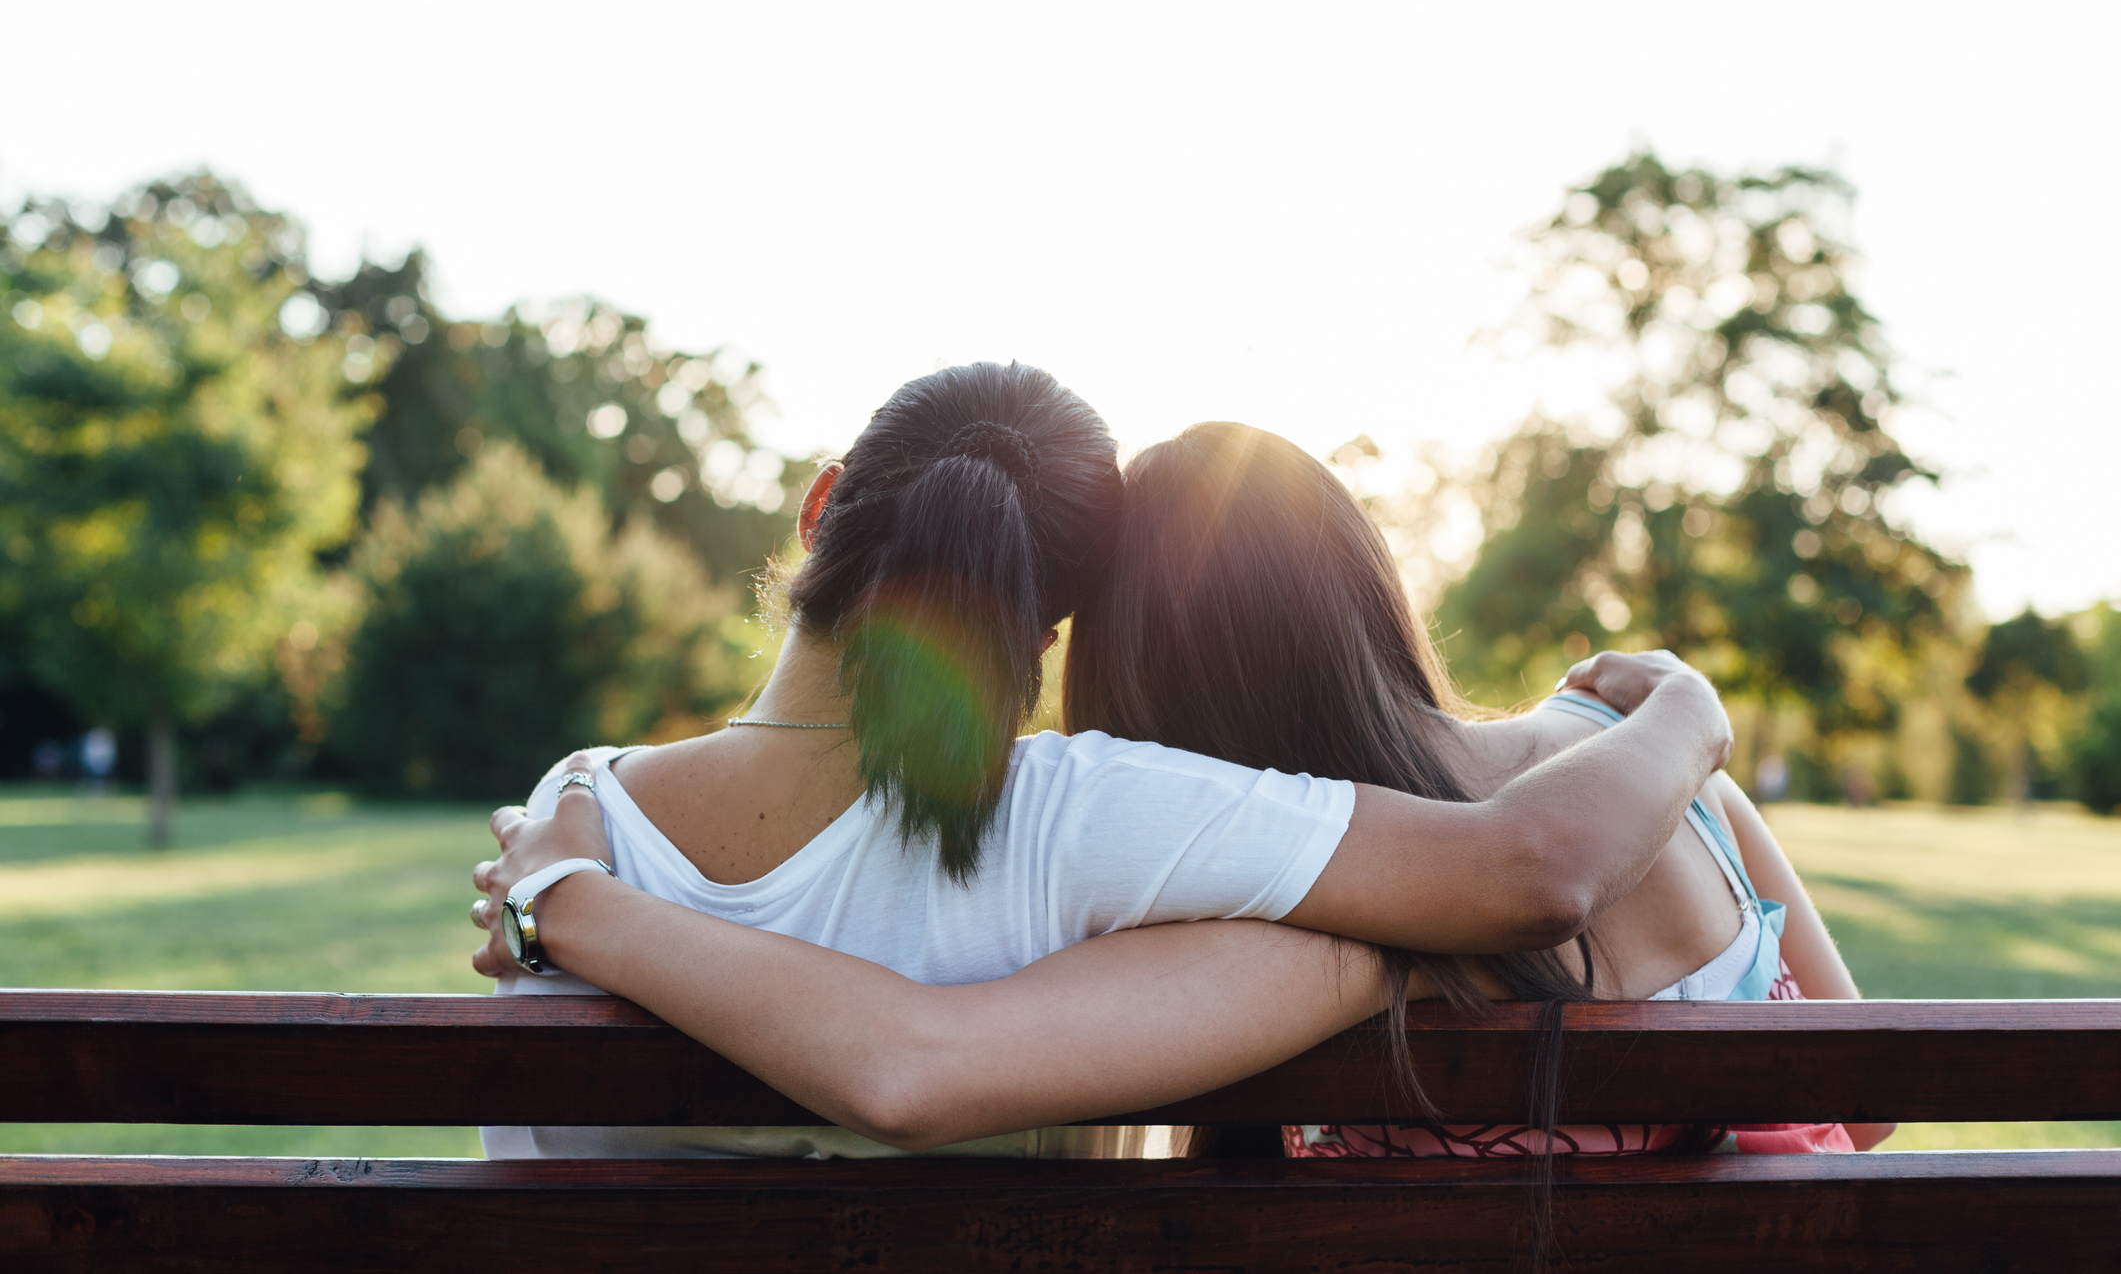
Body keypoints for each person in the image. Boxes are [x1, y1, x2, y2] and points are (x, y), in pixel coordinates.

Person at [473, 376, 1733, 1161]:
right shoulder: (1095, 808)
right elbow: (1524, 867)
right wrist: (1687, 710)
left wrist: (574, 906)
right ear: (1048, 620)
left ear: (822, 509)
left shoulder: (574, 814)